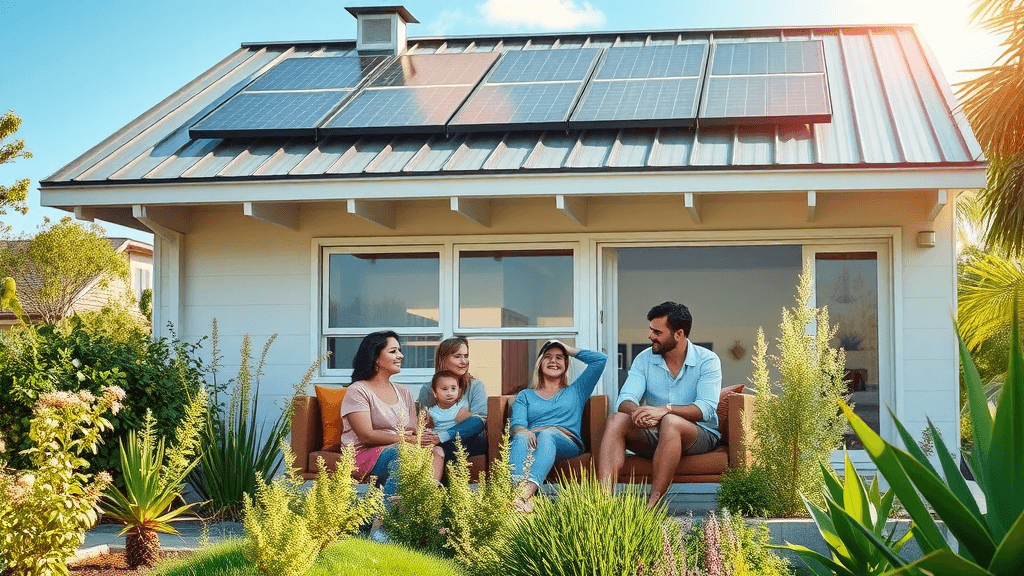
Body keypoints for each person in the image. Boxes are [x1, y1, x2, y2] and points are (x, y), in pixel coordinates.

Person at [597, 301, 722, 508]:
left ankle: (652, 505)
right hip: (656, 433)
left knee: (671, 421)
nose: (650, 336)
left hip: (699, 434)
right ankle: (600, 502)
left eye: (657, 331)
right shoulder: (643, 359)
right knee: (618, 418)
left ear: (679, 334)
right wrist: (638, 412)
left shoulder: (707, 360)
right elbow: (624, 400)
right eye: (650, 330)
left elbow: (706, 410)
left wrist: (663, 411)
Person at [339, 331, 445, 500]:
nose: (400, 355)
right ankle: (385, 519)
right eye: (393, 351)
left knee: (437, 451)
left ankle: (425, 503)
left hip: (401, 449)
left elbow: (412, 430)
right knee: (402, 453)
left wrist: (424, 434)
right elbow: (367, 436)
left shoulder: (404, 392)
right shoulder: (357, 390)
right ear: (375, 357)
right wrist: (407, 439)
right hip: (363, 456)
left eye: (399, 350)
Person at [508, 340, 607, 512]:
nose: (553, 361)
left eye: (559, 358)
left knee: (548, 434)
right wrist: (523, 431)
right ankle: (519, 499)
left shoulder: (577, 390)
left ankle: (523, 494)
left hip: (566, 442)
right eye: (548, 357)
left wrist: (568, 349)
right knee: (520, 437)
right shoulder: (526, 395)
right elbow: (517, 424)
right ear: (539, 364)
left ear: (566, 365)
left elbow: (600, 360)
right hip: (535, 441)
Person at [417, 337, 489, 461]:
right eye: (457, 356)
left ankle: (438, 453)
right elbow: (423, 422)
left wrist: (441, 436)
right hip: (434, 440)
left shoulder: (476, 386)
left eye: (466, 356)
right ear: (443, 359)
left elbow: (480, 421)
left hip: (467, 440)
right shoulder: (428, 389)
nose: (464, 361)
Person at [424, 369, 482, 459]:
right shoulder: (431, 412)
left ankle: (443, 437)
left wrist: (466, 418)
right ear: (435, 393)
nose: (449, 393)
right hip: (442, 444)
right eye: (445, 389)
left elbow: (472, 425)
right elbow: (428, 428)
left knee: (477, 422)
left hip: (460, 439)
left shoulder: (462, 407)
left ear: (459, 392)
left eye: (453, 389)